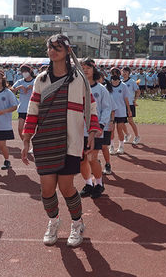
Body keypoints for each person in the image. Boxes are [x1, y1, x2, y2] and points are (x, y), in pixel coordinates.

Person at [21, 34, 101, 247]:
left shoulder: (79, 78)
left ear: (68, 51)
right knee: (47, 189)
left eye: (57, 47)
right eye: (50, 47)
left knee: (66, 187)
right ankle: (54, 221)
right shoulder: (41, 79)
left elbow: (90, 107)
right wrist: (27, 139)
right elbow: (33, 110)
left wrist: (92, 131)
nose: (52, 50)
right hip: (45, 139)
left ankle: (77, 223)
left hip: (70, 140)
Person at [79, 58, 114, 198]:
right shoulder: (77, 87)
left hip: (96, 130)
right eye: (82, 67)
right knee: (81, 160)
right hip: (79, 130)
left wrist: (100, 125)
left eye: (88, 67)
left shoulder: (101, 89)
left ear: (94, 69)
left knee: (92, 158)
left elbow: (107, 108)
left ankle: (99, 184)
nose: (85, 70)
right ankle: (88, 184)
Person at [106, 67, 131, 155]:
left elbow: (126, 98)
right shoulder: (107, 86)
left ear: (119, 75)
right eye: (113, 73)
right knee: (111, 130)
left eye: (116, 73)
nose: (114, 75)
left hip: (121, 111)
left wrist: (129, 109)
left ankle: (121, 145)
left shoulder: (123, 86)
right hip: (110, 112)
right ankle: (112, 146)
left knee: (119, 130)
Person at [11, 64, 36, 153]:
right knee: (20, 128)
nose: (25, 73)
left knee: (32, 129)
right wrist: (20, 87)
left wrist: (32, 88)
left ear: (30, 71)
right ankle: (26, 144)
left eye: (26, 71)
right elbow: (12, 89)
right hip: (22, 108)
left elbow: (40, 90)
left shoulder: (35, 81)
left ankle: (33, 145)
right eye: (23, 71)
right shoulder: (20, 81)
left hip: (32, 108)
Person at [121, 67, 141, 145]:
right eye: (123, 71)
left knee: (130, 121)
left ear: (129, 73)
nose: (124, 73)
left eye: (126, 71)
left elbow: (138, 92)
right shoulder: (120, 82)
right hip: (122, 105)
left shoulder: (132, 82)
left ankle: (137, 136)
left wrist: (135, 100)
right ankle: (127, 134)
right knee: (121, 122)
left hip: (130, 104)